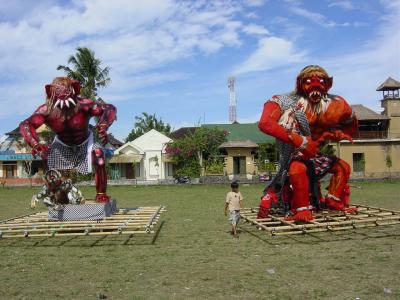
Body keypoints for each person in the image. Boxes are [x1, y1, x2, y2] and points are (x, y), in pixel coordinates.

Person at [257, 65, 358, 222]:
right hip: (295, 155)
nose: (316, 85)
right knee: (297, 170)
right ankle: (302, 209)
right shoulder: (287, 101)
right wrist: (301, 141)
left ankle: (333, 200)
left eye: (321, 81)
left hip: (315, 155)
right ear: (300, 83)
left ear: (328, 84)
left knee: (343, 168)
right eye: (309, 81)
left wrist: (340, 133)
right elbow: (265, 123)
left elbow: (351, 125)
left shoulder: (337, 105)